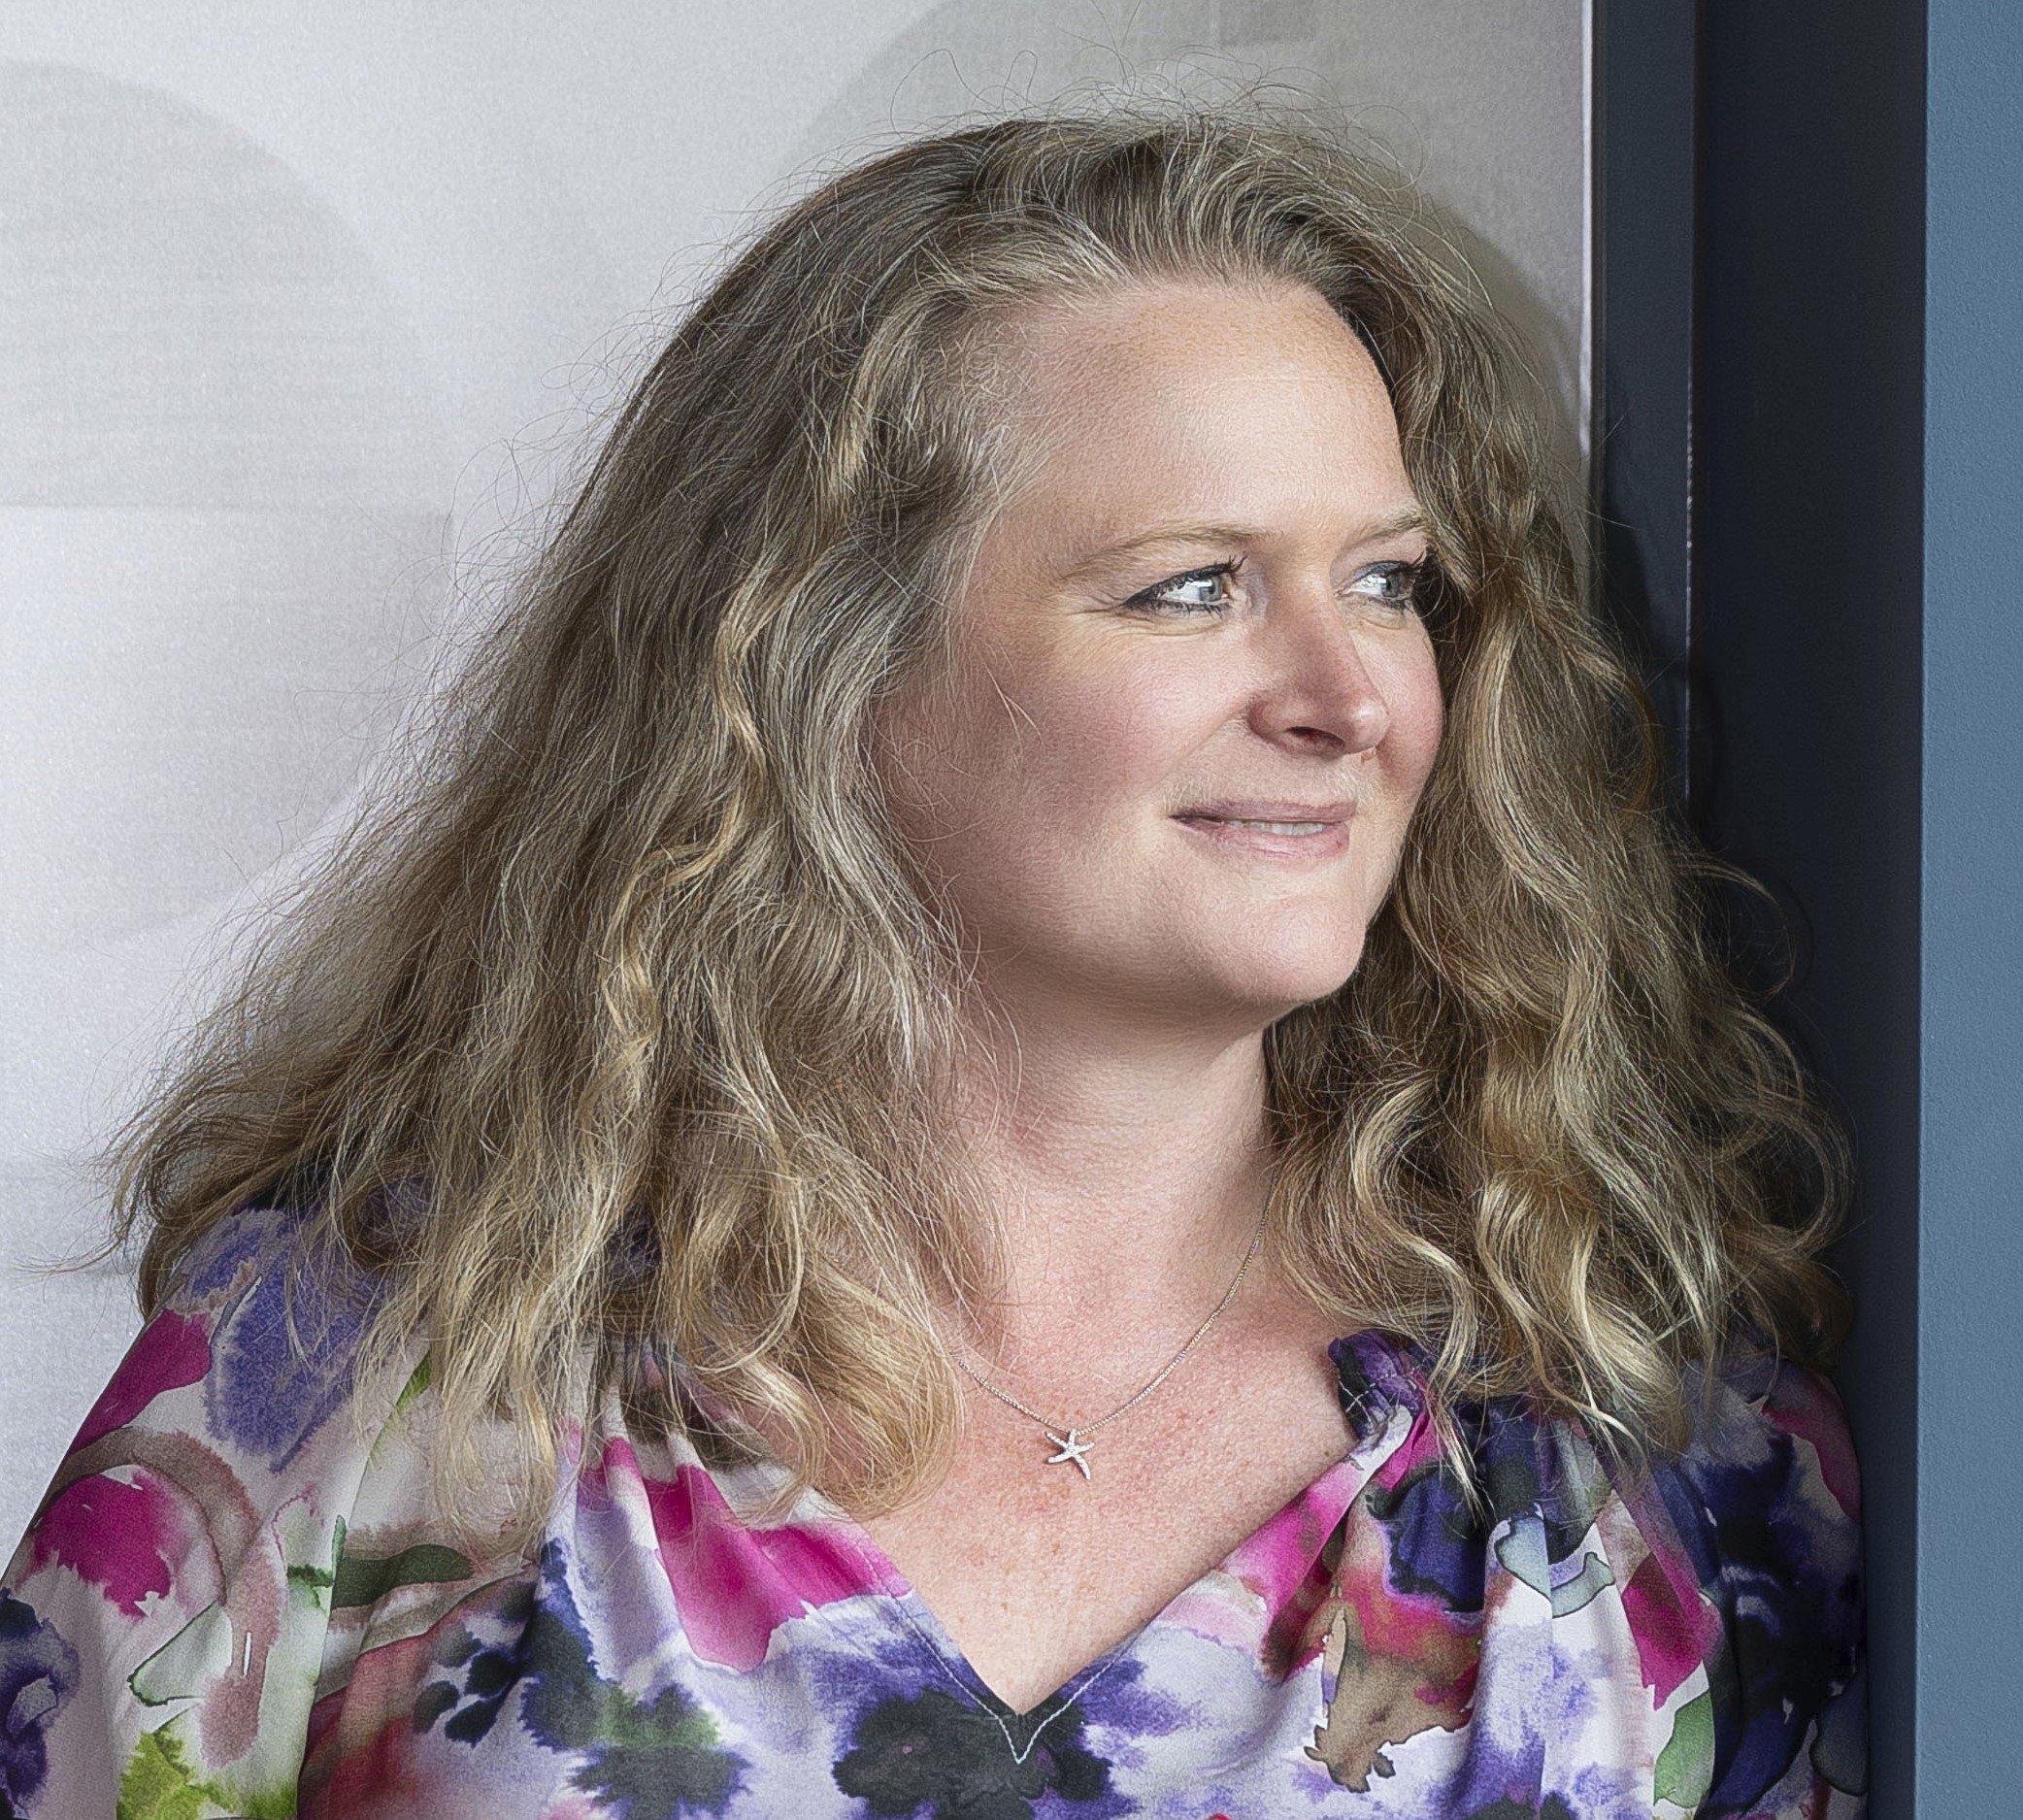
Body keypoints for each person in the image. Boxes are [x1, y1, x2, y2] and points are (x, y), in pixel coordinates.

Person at [0, 106, 1866, 1817]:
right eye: (1192, 586)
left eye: (1387, 580)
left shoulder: (1641, 1457)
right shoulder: (350, 1387)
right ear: (827, 670)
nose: (1348, 695)